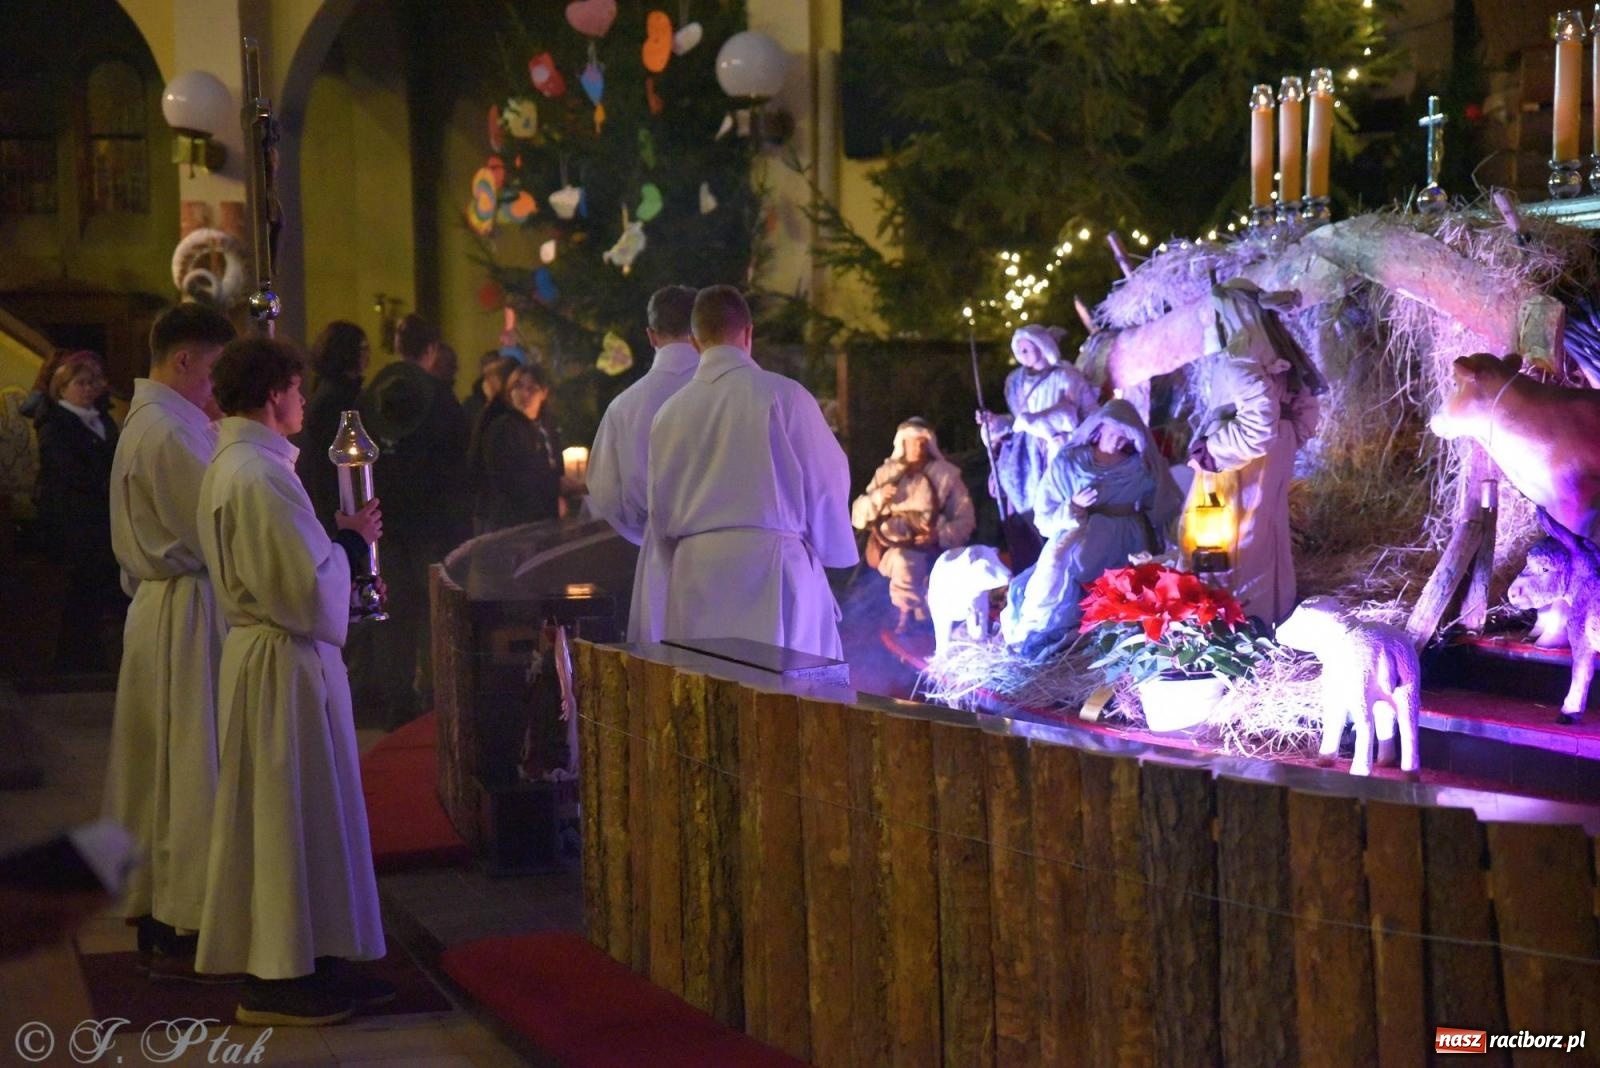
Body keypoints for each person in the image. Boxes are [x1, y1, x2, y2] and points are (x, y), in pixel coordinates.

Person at [194, 336, 389, 1025]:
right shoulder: (260, 474)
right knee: (287, 817)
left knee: (301, 815)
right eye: (299, 390)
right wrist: (353, 547)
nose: (304, 400)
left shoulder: (242, 464)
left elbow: (286, 565)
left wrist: (333, 539)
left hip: (272, 658)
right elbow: (304, 588)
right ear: (275, 392)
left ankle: (317, 957)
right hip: (284, 665)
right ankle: (279, 978)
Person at [103, 302, 236, 978]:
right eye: (215, 372)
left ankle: (163, 909)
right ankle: (184, 915)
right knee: (188, 770)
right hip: (186, 613)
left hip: (164, 610)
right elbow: (220, 530)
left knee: (161, 770)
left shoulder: (154, 421)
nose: (218, 390)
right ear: (183, 360)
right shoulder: (169, 433)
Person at [648, 285, 856, 659]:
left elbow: (659, 511)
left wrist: (676, 562)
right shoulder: (784, 395)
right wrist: (829, 549)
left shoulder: (669, 413)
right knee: (779, 699)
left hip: (696, 573)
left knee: (706, 694)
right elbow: (826, 481)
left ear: (694, 342)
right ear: (748, 333)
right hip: (773, 569)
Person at [1001, 399, 1184, 658]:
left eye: (1126, 436)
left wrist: (1173, 534)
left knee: (1121, 590)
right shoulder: (1070, 461)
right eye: (1114, 433)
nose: (1119, 441)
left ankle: (1107, 642)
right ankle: (1054, 641)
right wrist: (1072, 506)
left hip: (1127, 541)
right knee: (1059, 578)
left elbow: (1166, 502)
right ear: (1099, 429)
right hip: (1079, 537)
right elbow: (1044, 513)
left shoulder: (1141, 466)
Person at [356, 313, 468, 725]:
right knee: (433, 617)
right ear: (433, 349)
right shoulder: (442, 400)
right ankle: (435, 703)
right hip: (433, 527)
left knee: (394, 616)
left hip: (384, 523)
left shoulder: (370, 396)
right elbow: (458, 468)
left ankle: (397, 703)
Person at [1188, 279, 1321, 624]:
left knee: (1236, 543)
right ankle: (1272, 612)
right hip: (1267, 460)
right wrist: (1287, 439)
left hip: (1237, 465)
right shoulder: (1282, 360)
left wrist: (1212, 451)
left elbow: (1258, 428)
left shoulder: (1241, 360)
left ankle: (1240, 623)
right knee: (1265, 535)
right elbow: (1305, 413)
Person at [587, 285, 700, 641]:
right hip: (742, 566)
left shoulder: (624, 406)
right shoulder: (737, 392)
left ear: (650, 336)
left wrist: (647, 530)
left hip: (660, 554)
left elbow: (606, 494)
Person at [976, 324, 1101, 572]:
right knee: (1028, 506)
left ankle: (1070, 555)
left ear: (1042, 347)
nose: (1021, 354)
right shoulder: (1015, 381)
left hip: (1059, 448)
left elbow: (1080, 414)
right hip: (1025, 454)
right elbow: (1016, 420)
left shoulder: (1066, 376)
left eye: (1026, 348)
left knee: (1058, 500)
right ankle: (1035, 555)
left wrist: (1040, 422)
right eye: (1018, 349)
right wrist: (994, 422)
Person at [34, 349, 124, 672]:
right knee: (79, 591)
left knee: (100, 589)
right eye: (80, 383)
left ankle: (97, 656)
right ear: (63, 386)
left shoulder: (103, 420)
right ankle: (75, 661)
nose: (88, 389)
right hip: (72, 517)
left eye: (93, 383)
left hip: (99, 514)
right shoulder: (56, 422)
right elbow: (64, 470)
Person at [850, 417, 976, 633]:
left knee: (921, 564)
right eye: (914, 440)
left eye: (923, 441)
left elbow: (966, 519)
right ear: (903, 443)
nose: (919, 445)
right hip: (890, 544)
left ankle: (924, 617)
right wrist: (879, 496)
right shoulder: (886, 474)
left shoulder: (946, 475)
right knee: (903, 559)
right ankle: (905, 617)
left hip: (933, 546)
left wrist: (938, 535)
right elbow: (858, 516)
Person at [294, 321, 371, 531]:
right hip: (337, 504)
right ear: (347, 352)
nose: (368, 355)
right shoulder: (337, 399)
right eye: (363, 348)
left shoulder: (329, 391)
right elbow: (328, 460)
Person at [476, 362, 563, 531]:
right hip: (512, 520)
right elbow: (507, 479)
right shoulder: (502, 429)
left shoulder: (547, 426)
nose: (524, 394)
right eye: (518, 387)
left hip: (544, 517)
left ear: (544, 393)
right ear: (509, 392)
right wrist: (555, 485)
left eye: (532, 388)